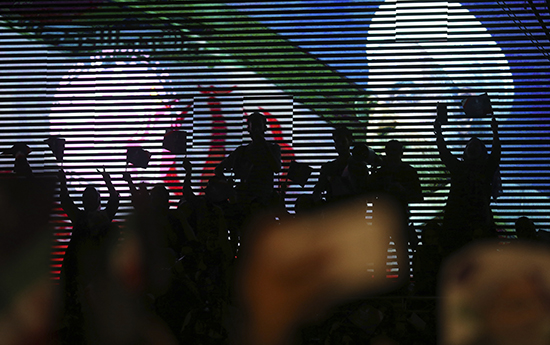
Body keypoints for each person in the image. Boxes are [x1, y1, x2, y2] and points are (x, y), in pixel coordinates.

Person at [434, 115, 501, 253]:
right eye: (470, 145)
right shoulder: (459, 167)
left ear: (483, 152)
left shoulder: (486, 168)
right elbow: (444, 152)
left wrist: (495, 132)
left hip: (476, 218)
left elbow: (496, 154)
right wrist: (438, 132)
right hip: (458, 219)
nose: (472, 148)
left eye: (476, 146)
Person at [214, 111, 281, 210]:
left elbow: (277, 168)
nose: (257, 130)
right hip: (247, 201)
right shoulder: (242, 151)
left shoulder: (272, 148)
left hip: (263, 200)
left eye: (258, 126)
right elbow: (219, 169)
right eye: (255, 126)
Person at [313, 126, 372, 205]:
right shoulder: (328, 168)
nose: (339, 144)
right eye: (337, 141)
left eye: (343, 141)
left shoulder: (359, 167)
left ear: (350, 142)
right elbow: (318, 190)